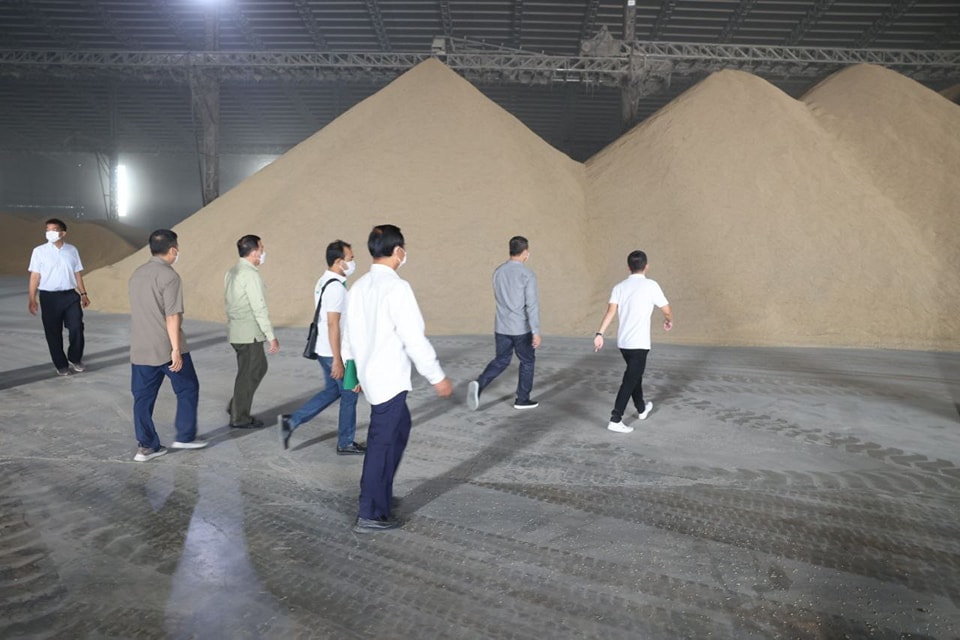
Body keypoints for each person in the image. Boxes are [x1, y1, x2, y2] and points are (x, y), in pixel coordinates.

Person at [344, 224, 452, 533]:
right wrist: (436, 376)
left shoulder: (358, 286)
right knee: (381, 444)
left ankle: (380, 493)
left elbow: (348, 335)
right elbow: (413, 338)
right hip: (388, 379)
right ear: (398, 251)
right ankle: (370, 512)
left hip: (371, 376)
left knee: (399, 427)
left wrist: (353, 375)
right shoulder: (397, 288)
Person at [127, 229, 208, 462]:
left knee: (142, 399)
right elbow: (172, 316)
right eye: (177, 248)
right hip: (166, 347)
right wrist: (176, 350)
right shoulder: (169, 276)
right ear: (172, 249)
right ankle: (185, 436)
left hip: (141, 348)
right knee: (188, 387)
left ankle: (146, 446)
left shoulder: (136, 274)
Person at [278, 240, 364, 455]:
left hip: (324, 349)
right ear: (339, 261)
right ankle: (345, 443)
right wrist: (338, 360)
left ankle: (291, 421)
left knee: (333, 391)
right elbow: (333, 324)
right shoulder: (335, 288)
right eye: (351, 258)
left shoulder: (324, 280)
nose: (353, 262)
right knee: (350, 394)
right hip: (336, 352)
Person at [593, 250, 673, 434]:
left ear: (628, 267)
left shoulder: (619, 287)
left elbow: (610, 312)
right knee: (630, 380)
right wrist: (668, 320)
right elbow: (666, 309)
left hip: (624, 343)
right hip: (640, 343)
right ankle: (615, 419)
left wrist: (600, 333)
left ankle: (642, 409)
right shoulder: (651, 286)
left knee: (634, 375)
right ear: (646, 267)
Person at [466, 235, 541, 411]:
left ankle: (480, 384)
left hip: (501, 326)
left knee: (501, 360)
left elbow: (499, 298)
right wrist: (535, 331)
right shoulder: (527, 275)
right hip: (521, 328)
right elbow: (531, 305)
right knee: (527, 361)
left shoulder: (498, 272)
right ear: (525, 252)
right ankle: (522, 399)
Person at [224, 234, 279, 428]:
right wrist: (271, 336)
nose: (263, 252)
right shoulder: (251, 275)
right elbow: (259, 307)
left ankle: (236, 406)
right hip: (249, 333)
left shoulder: (232, 271)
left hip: (237, 331)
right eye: (261, 248)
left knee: (253, 369)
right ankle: (239, 417)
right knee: (249, 373)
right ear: (254, 252)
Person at [27, 218, 90, 376]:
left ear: (63, 233)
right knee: (53, 332)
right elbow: (35, 276)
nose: (49, 233)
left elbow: (77, 273)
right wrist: (32, 298)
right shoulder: (39, 251)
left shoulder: (72, 250)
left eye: (53, 230)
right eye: (47, 230)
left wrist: (83, 294)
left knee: (76, 327)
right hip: (49, 297)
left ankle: (75, 358)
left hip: (70, 296)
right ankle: (61, 364)